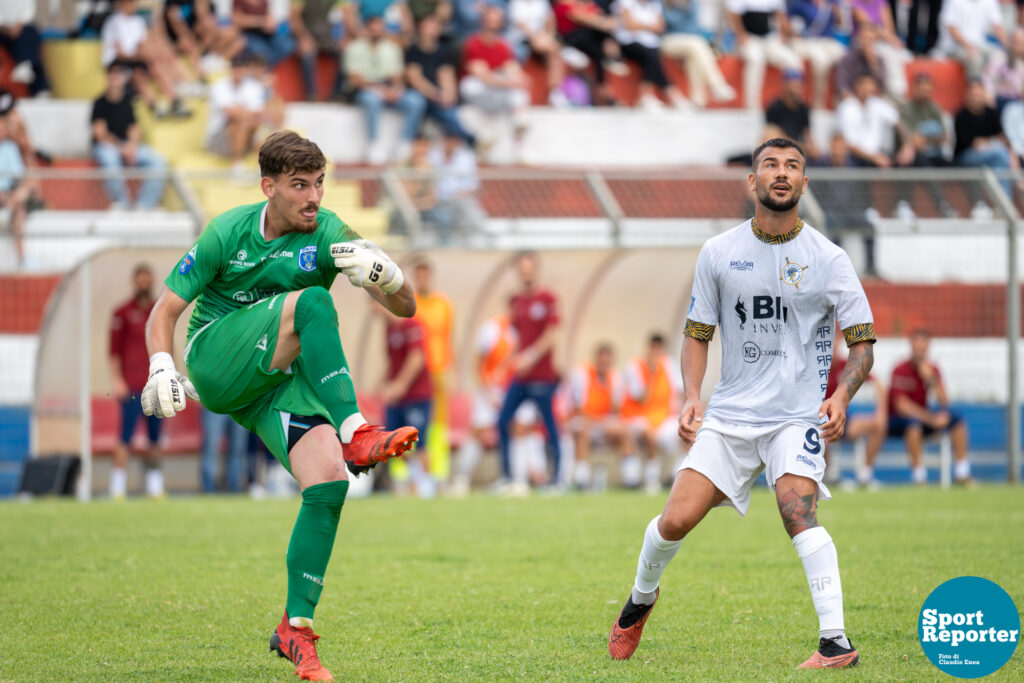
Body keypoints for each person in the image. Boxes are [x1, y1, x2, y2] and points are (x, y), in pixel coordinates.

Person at [142, 130, 420, 682]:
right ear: (268, 186)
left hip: (271, 383)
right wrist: (160, 365)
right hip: (216, 358)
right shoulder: (228, 231)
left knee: (328, 484)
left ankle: (296, 629)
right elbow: (164, 313)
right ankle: (357, 429)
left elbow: (406, 308)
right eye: (299, 185)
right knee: (314, 301)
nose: (313, 196)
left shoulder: (330, 232)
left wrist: (389, 277)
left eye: (319, 183)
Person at [607, 137, 875, 669]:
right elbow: (697, 334)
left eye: (793, 166)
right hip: (730, 415)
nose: (782, 173)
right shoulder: (719, 252)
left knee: (798, 510)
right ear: (751, 182)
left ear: (804, 183)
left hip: (796, 416)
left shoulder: (829, 258)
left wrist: (843, 394)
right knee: (675, 521)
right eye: (770, 165)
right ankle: (640, 600)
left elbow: (863, 342)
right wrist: (690, 397)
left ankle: (835, 642)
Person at [494, 251, 563, 492]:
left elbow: (551, 335)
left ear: (536, 269)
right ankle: (507, 475)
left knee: (549, 425)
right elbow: (518, 339)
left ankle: (557, 477)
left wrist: (531, 356)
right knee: (502, 420)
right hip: (521, 377)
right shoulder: (517, 302)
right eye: (521, 268)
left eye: (529, 267)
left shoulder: (548, 299)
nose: (526, 272)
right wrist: (504, 365)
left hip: (543, 376)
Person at [888, 329, 972, 485]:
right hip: (899, 421)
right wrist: (930, 419)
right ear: (911, 345)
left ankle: (962, 472)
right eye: (916, 344)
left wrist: (931, 380)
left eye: (923, 345)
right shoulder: (900, 369)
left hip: (923, 418)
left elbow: (944, 402)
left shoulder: (932, 370)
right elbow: (901, 406)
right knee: (913, 425)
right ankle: (919, 476)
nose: (919, 349)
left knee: (956, 418)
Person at [109, 264, 164, 500]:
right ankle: (118, 486)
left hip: (156, 385)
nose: (144, 284)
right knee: (125, 436)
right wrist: (117, 379)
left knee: (155, 438)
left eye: (147, 280)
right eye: (140, 280)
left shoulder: (159, 311)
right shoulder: (121, 313)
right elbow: (114, 351)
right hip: (132, 386)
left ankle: (154, 486)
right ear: (135, 282)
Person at [345, 15, 426, 165]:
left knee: (416, 100)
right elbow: (355, 79)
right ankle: (374, 144)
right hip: (365, 89)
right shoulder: (354, 47)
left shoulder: (392, 48)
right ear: (366, 29)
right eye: (373, 28)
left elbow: (397, 76)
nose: (376, 31)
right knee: (371, 100)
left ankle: (405, 143)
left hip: (387, 89)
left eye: (379, 28)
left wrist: (395, 89)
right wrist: (378, 89)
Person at [91, 64, 168, 210]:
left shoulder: (128, 101)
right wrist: (121, 148)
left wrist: (131, 147)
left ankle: (144, 207)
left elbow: (134, 128)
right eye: (112, 75)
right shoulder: (99, 103)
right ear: (107, 78)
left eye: (118, 76)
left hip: (125, 145)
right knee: (109, 159)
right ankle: (122, 204)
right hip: (108, 147)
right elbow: (100, 134)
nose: (115, 79)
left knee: (158, 161)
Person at [381, 304, 436, 497]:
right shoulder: (388, 329)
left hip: (416, 395)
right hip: (397, 399)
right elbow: (392, 361)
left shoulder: (412, 325)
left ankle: (427, 487)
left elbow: (417, 358)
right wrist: (381, 384)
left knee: (420, 443)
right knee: (392, 443)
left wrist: (400, 385)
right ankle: (417, 477)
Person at [101, 0, 191, 117]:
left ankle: (175, 101)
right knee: (138, 75)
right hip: (117, 62)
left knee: (155, 67)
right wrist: (142, 55)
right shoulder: (114, 22)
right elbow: (120, 53)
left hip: (134, 59)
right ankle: (154, 107)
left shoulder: (138, 22)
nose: (134, 5)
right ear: (122, 4)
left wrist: (149, 56)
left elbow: (143, 46)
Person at [619, 333, 683, 494]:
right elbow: (641, 398)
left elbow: (680, 393)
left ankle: (677, 476)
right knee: (648, 434)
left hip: (664, 417)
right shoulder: (635, 366)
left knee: (688, 431)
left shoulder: (670, 365)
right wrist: (652, 374)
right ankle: (650, 478)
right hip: (639, 417)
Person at [412, 260, 454, 488]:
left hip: (438, 371)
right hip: (417, 374)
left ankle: (439, 473)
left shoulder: (443, 304)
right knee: (416, 422)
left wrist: (452, 369)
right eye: (418, 277)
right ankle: (412, 477)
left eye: (425, 276)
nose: (422, 281)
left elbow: (448, 338)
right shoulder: (410, 304)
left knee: (439, 425)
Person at [405, 13, 476, 146]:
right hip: (422, 96)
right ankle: (407, 142)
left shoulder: (443, 51)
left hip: (436, 98)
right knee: (418, 102)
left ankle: (468, 142)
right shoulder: (413, 50)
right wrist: (436, 94)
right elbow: (415, 79)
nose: (434, 28)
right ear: (420, 28)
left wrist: (449, 95)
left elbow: (446, 75)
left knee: (449, 113)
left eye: (436, 26)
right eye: (430, 25)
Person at [823, 340, 887, 487]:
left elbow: (877, 383)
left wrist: (881, 412)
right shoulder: (815, 366)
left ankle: (865, 474)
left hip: (844, 418)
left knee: (878, 424)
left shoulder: (846, 365)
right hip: (820, 420)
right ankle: (829, 474)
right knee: (818, 431)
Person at [205, 52, 283, 171]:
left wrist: (242, 111)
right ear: (230, 69)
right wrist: (247, 112)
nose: (238, 71)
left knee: (265, 121)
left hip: (244, 133)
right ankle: (237, 162)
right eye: (235, 67)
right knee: (241, 122)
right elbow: (231, 113)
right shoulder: (219, 86)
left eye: (240, 68)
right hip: (219, 138)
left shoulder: (253, 87)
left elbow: (259, 113)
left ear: (245, 69)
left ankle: (245, 164)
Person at [611, 0, 691, 110]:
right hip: (628, 43)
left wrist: (640, 25)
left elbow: (660, 27)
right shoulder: (625, 2)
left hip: (650, 44)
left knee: (652, 55)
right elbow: (630, 25)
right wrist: (650, 26)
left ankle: (649, 96)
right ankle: (668, 93)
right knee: (651, 55)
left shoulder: (655, 4)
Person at [566, 342, 626, 490]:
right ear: (596, 359)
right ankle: (582, 478)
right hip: (581, 420)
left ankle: (631, 478)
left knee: (623, 431)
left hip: (601, 423)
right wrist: (602, 424)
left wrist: (611, 424)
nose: (604, 365)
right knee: (582, 430)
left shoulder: (614, 377)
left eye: (607, 362)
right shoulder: (582, 374)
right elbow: (579, 410)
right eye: (601, 361)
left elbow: (616, 409)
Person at [459, 6, 531, 128]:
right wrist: (509, 82)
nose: (492, 25)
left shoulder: (504, 46)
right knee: (470, 85)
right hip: (481, 88)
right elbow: (482, 76)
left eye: (496, 21)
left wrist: (517, 78)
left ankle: (520, 126)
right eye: (489, 21)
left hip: (495, 88)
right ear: (482, 22)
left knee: (520, 94)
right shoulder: (472, 44)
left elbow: (513, 70)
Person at [725, 0, 804, 110]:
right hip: (749, 39)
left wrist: (785, 34)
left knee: (793, 60)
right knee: (756, 59)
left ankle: (792, 103)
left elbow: (780, 15)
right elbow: (733, 15)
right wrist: (740, 35)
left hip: (769, 39)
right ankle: (752, 105)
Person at [659, 0, 736, 108]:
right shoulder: (662, 2)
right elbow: (667, 23)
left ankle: (697, 100)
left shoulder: (692, 2)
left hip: (690, 42)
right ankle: (717, 85)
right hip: (668, 40)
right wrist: (680, 6)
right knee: (697, 44)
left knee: (695, 52)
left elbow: (694, 27)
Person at [954, 78, 1018, 202]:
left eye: (979, 94)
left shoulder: (991, 113)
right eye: (973, 95)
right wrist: (993, 142)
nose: (976, 98)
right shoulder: (961, 115)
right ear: (967, 95)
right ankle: (1005, 203)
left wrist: (988, 142)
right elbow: (972, 143)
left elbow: (1003, 138)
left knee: (999, 165)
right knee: (1000, 153)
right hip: (965, 158)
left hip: (990, 157)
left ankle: (1000, 204)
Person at [426, 132, 487, 242]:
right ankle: (446, 247)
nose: (450, 144)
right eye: (448, 140)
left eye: (453, 140)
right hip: (438, 201)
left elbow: (474, 185)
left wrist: (458, 194)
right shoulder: (433, 156)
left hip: (460, 199)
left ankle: (482, 242)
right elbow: (428, 183)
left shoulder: (466, 158)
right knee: (444, 217)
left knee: (472, 213)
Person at [507, 0, 569, 107]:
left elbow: (550, 20)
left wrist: (549, 35)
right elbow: (520, 24)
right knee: (554, 49)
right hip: (522, 38)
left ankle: (555, 92)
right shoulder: (515, 3)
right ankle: (554, 93)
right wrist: (536, 36)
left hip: (541, 39)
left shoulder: (542, 2)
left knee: (554, 54)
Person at [787, 0, 845, 109]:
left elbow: (841, 24)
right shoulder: (800, 4)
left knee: (843, 56)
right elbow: (792, 25)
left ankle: (841, 99)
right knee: (821, 60)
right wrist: (795, 34)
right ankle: (819, 102)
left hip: (828, 40)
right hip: (809, 41)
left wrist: (837, 12)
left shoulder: (831, 3)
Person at [836, 73, 901, 168]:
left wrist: (907, 147)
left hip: (879, 156)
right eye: (864, 84)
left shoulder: (879, 104)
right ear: (856, 86)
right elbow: (847, 142)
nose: (867, 87)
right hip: (856, 157)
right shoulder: (847, 107)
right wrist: (873, 157)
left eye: (870, 83)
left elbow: (898, 123)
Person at [848, 0, 911, 98]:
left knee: (903, 55)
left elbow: (889, 28)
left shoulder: (881, 2)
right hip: (862, 41)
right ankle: (891, 92)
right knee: (888, 54)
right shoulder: (855, 3)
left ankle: (898, 92)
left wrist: (890, 38)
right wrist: (890, 38)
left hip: (882, 41)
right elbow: (868, 27)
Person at [935, 0, 1007, 78]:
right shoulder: (953, 1)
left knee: (999, 56)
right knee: (975, 59)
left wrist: (1008, 48)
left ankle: (989, 88)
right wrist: (967, 45)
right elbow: (951, 28)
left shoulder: (990, 2)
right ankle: (975, 88)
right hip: (954, 46)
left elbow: (997, 26)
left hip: (978, 44)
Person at [764, 69, 819, 160]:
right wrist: (797, 145)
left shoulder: (803, 109)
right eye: (793, 86)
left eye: (798, 86)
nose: (795, 90)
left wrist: (812, 148)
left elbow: (807, 133)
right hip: (780, 148)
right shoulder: (774, 107)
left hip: (798, 149)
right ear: (785, 86)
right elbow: (772, 134)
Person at [0, 0, 51, 96]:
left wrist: (18, 23)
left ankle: (27, 65)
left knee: (29, 32)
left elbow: (27, 11)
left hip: (27, 88)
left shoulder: (28, 32)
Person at [232, 0, 297, 68]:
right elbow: (237, 20)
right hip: (249, 34)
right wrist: (260, 22)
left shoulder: (264, 2)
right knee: (262, 51)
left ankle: (265, 69)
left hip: (266, 33)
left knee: (288, 45)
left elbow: (270, 20)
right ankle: (265, 70)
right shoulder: (239, 1)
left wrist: (272, 26)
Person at [200, 407, 250, 492]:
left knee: (238, 449)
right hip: (214, 402)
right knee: (211, 448)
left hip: (239, 404)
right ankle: (208, 489)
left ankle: (235, 487)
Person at [834, 23, 887, 101]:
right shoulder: (848, 58)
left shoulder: (879, 60)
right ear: (859, 39)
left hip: (873, 100)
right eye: (864, 38)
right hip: (852, 99)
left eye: (869, 39)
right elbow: (842, 85)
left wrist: (873, 63)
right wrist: (853, 99)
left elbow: (883, 87)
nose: (866, 42)